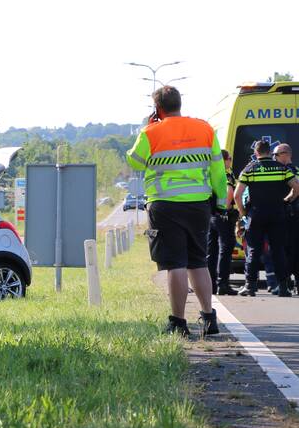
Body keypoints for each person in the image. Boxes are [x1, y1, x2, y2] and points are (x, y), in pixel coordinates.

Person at [126, 86, 228, 337]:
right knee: (198, 262)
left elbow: (134, 161)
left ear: (158, 108)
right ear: (179, 104)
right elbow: (217, 170)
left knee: (176, 264)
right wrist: (222, 202)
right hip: (198, 204)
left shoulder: (151, 132)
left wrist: (148, 129)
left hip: (165, 205)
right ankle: (208, 318)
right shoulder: (205, 129)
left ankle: (179, 322)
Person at [234, 139, 299, 296]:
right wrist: (287, 200)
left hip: (256, 215)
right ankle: (283, 287)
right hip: (277, 214)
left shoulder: (250, 169)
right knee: (278, 250)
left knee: (254, 251)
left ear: (256, 153)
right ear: (269, 152)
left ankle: (250, 286)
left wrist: (243, 214)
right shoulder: (282, 169)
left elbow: (237, 195)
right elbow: (296, 188)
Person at [207, 149, 238, 295]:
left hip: (210, 215)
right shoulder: (226, 173)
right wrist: (225, 210)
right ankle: (223, 284)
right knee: (225, 249)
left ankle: (211, 284)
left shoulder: (210, 172)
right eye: (229, 158)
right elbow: (229, 191)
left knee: (211, 251)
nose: (230, 161)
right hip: (222, 215)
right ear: (224, 160)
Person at [272, 143, 299, 291]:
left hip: (287, 214)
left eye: (276, 155)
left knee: (285, 249)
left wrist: (286, 200)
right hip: (295, 215)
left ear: (285, 154)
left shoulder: (285, 171)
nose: (274, 158)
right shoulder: (297, 169)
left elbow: (296, 189)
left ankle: (285, 283)